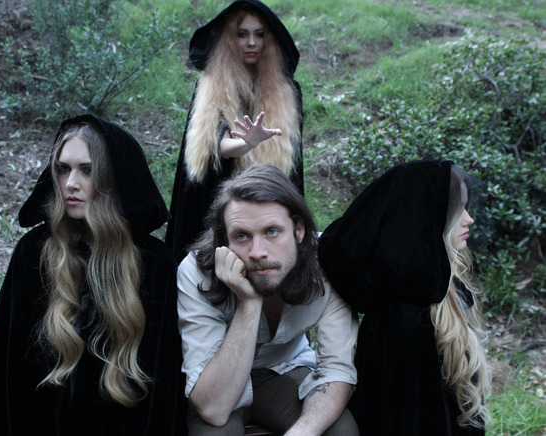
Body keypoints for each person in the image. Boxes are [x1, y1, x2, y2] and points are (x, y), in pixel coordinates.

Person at [0, 115, 187, 435]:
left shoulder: (154, 265)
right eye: (63, 169)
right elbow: (5, 375)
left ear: (113, 178)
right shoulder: (33, 254)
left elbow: (165, 389)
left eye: (87, 170)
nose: (70, 183)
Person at [177, 163, 358, 435]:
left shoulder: (328, 263)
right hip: (219, 377)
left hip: (284, 370)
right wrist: (249, 303)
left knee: (339, 429)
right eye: (241, 236)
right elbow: (213, 409)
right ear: (224, 241)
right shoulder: (196, 271)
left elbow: (336, 369)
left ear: (298, 230)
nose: (257, 252)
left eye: (272, 231)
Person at [318, 159, 491, 435]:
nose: (469, 219)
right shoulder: (404, 318)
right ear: (426, 217)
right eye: (457, 209)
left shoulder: (446, 290)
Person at [166, 0, 304, 262]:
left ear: (269, 39)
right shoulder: (213, 85)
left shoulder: (288, 92)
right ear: (230, 39)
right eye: (242, 34)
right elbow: (220, 143)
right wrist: (246, 144)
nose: (251, 42)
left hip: (267, 196)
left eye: (259, 34)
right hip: (217, 195)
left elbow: (294, 171)